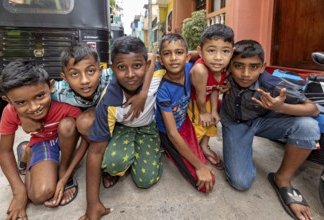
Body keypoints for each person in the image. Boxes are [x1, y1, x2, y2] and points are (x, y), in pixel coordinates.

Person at [19, 43, 154, 207]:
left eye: (91, 71)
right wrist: (21, 115)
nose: (84, 81)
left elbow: (151, 57)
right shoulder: (58, 91)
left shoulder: (111, 75)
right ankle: (55, 164)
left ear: (100, 69)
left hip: (105, 125)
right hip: (81, 129)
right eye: (74, 74)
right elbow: (25, 95)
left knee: (88, 121)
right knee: (74, 123)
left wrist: (143, 92)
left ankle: (105, 164)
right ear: (65, 77)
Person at [220, 39, 320, 220]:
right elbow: (201, 55)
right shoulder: (222, 73)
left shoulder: (271, 84)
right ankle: (242, 147)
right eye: (238, 66)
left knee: (308, 126)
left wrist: (281, 108)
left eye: (253, 67)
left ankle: (282, 178)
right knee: (240, 182)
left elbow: (313, 109)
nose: (245, 74)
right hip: (236, 123)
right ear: (228, 65)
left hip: (265, 121)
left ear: (262, 67)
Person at [80, 36, 163, 220]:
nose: (130, 74)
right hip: (123, 128)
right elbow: (94, 153)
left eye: (137, 66)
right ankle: (125, 158)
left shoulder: (157, 73)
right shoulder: (108, 102)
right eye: (121, 67)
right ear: (111, 68)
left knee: (145, 180)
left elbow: (160, 56)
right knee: (111, 163)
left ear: (147, 65)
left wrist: (143, 94)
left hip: (147, 128)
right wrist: (92, 205)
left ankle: (146, 151)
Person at [0, 60, 82, 219]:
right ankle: (28, 152)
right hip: (43, 141)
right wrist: (19, 192)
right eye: (21, 102)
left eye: (39, 96)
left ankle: (60, 167)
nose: (34, 107)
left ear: (51, 86)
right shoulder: (10, 112)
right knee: (39, 195)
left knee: (68, 125)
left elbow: (86, 134)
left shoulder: (64, 101)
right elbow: (4, 151)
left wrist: (64, 176)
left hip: (65, 138)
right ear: (8, 101)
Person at [155, 33, 215, 193]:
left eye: (179, 52)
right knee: (202, 181)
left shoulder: (192, 69)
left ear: (188, 56)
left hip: (186, 121)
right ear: (160, 60)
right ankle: (165, 148)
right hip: (169, 132)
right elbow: (172, 133)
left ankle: (199, 146)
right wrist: (200, 166)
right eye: (167, 54)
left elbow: (207, 55)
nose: (174, 58)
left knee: (219, 104)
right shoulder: (163, 89)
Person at [187, 23, 234, 170]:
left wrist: (213, 111)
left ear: (232, 52)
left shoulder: (224, 68)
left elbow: (214, 89)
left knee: (211, 123)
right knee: (198, 128)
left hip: (207, 99)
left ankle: (204, 146)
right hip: (194, 102)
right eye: (211, 50)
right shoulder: (201, 69)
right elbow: (200, 96)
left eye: (225, 51)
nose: (218, 58)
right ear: (200, 51)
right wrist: (203, 112)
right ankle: (193, 150)